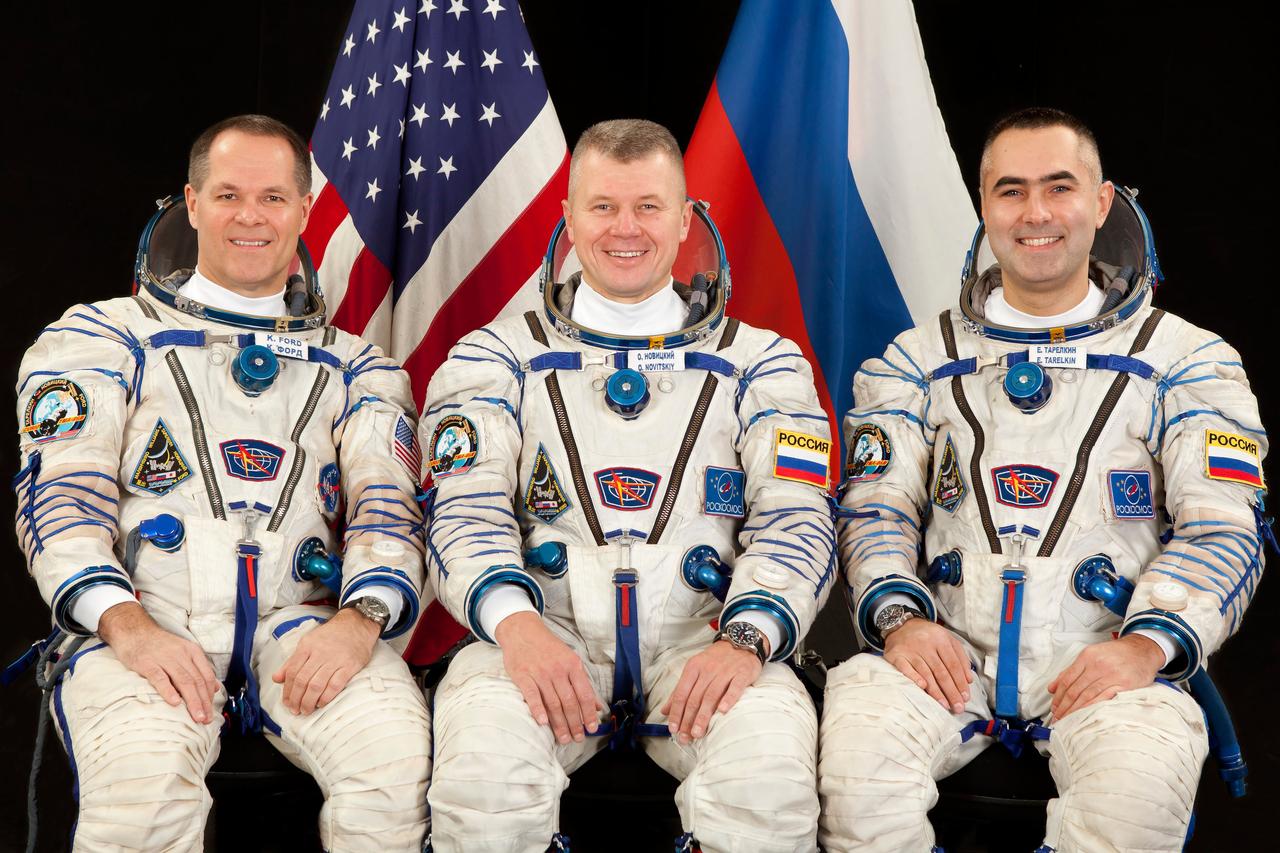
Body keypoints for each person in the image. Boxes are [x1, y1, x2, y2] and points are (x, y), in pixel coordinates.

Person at [818, 107, 1268, 852]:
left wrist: (1147, 645)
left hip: (1109, 659)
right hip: (945, 651)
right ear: (985, 205)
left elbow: (1222, 526)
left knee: (1132, 804)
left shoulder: (1187, 360)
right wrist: (901, 617)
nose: (1036, 214)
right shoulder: (914, 358)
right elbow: (874, 508)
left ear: (1100, 203)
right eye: (1011, 190)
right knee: (856, 781)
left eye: (1059, 188)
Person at [14, 115, 431, 850]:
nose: (250, 216)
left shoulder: (360, 367)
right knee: (141, 789)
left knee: (395, 764)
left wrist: (360, 620)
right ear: (192, 203)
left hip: (301, 627)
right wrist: (127, 627)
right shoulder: (103, 337)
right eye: (229, 194)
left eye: (273, 198)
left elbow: (388, 516)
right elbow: (61, 504)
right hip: (145, 621)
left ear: (305, 211)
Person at [420, 119, 833, 852]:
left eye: (648, 206)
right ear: (570, 219)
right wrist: (516, 629)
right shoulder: (495, 356)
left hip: (707, 645)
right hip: (540, 640)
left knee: (765, 784)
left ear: (684, 220)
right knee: (483, 784)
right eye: (603, 206)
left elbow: (797, 521)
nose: (625, 228)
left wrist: (745, 639)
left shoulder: (763, 363)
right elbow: (464, 513)